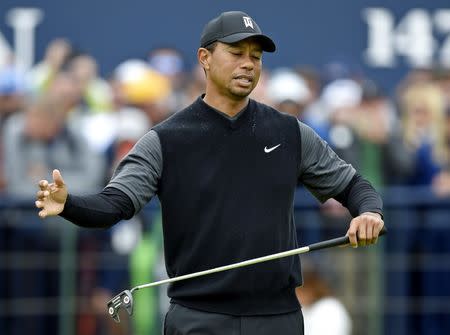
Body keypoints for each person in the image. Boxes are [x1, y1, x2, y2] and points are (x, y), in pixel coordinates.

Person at [35, 11, 384, 335]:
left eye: (256, 56)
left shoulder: (290, 133)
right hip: (198, 319)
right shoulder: (165, 140)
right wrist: (68, 204)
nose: (248, 64)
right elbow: (114, 205)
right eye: (236, 53)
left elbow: (354, 185)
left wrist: (368, 212)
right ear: (204, 58)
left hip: (278, 318)